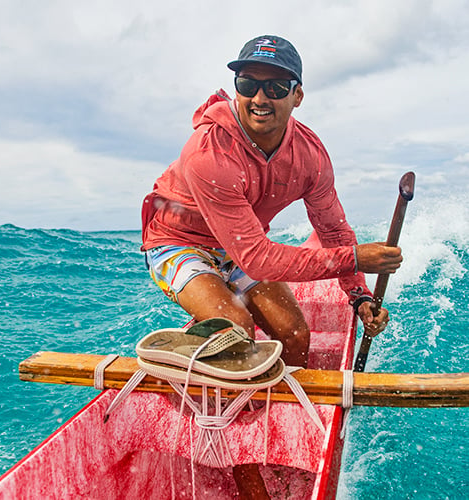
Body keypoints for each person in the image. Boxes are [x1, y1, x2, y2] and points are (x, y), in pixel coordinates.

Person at [140, 35, 402, 499]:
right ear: (236, 87)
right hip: (177, 243)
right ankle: (242, 462)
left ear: (297, 95)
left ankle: (278, 426)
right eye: (248, 83)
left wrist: (359, 294)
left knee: (294, 336)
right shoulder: (208, 152)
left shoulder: (311, 155)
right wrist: (357, 257)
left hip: (239, 245)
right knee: (238, 329)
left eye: (276, 87)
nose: (260, 97)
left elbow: (335, 230)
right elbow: (260, 258)